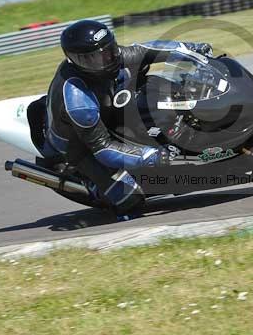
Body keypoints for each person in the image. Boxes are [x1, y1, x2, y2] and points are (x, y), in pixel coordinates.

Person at [39, 19, 212, 217]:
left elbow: (147, 50)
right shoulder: (78, 100)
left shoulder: (111, 57)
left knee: (151, 92)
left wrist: (192, 50)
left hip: (107, 109)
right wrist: (150, 156)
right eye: (94, 58)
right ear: (77, 61)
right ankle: (94, 185)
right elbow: (102, 147)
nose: (106, 59)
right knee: (130, 200)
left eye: (109, 50)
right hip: (80, 145)